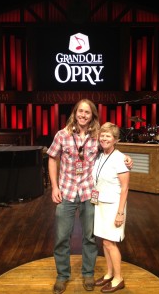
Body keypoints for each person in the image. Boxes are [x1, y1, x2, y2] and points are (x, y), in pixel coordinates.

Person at [47, 99, 133, 294]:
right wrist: (54, 187)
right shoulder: (62, 135)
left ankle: (88, 273)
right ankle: (62, 276)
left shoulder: (96, 137)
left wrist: (126, 158)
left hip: (89, 193)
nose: (83, 115)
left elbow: (111, 151)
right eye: (80, 111)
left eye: (88, 112)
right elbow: (52, 158)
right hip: (67, 192)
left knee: (89, 237)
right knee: (61, 237)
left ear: (92, 115)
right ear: (75, 113)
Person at [93, 122, 130, 293]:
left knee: (110, 242)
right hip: (100, 204)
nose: (104, 138)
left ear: (116, 139)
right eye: (102, 135)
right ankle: (109, 274)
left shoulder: (120, 158)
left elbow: (125, 188)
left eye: (108, 136)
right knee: (105, 242)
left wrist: (120, 213)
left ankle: (118, 278)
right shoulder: (100, 156)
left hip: (114, 206)